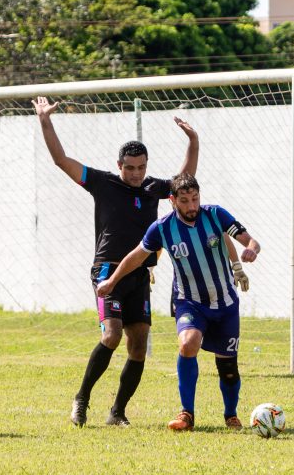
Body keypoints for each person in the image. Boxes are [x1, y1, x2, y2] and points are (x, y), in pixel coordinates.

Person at [32, 95, 199, 427]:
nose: (136, 174)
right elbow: (61, 160)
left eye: (141, 167)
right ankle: (81, 401)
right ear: (119, 165)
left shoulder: (154, 188)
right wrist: (45, 121)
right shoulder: (103, 183)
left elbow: (184, 180)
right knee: (111, 335)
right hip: (107, 270)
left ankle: (117, 412)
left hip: (140, 273)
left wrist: (194, 141)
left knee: (138, 346)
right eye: (130, 168)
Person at [96, 173, 261, 431]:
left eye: (195, 199)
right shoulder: (162, 228)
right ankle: (187, 414)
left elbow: (247, 238)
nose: (192, 206)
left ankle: (230, 414)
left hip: (225, 302)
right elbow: (136, 257)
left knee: (227, 366)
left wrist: (250, 249)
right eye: (184, 201)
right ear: (172, 200)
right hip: (189, 302)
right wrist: (112, 281)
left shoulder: (215, 214)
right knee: (187, 343)